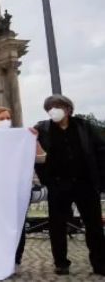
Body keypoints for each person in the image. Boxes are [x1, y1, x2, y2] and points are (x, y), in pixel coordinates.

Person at [31, 95, 105, 276]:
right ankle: (61, 263)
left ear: (68, 109)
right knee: (57, 226)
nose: (53, 109)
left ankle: (100, 263)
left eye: (57, 106)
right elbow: (34, 154)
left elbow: (100, 151)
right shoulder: (42, 128)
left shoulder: (84, 126)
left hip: (85, 183)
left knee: (94, 225)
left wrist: (100, 179)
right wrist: (46, 179)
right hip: (58, 184)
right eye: (49, 107)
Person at [0, 106, 46, 269]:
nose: (6, 121)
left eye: (8, 118)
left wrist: (35, 140)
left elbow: (41, 159)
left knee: (18, 223)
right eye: (1, 119)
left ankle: (16, 258)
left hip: (19, 190)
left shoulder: (21, 137)